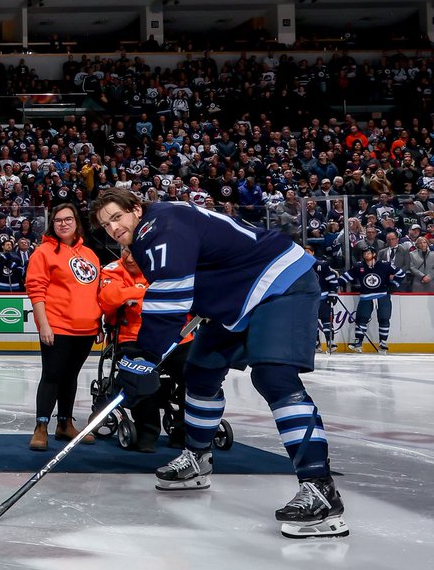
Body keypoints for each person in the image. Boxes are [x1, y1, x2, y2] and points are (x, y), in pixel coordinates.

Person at [92, 187, 349, 539]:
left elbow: (170, 295)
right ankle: (198, 459)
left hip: (280, 285)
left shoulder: (158, 227)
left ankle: (320, 487)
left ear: (136, 208)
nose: (113, 227)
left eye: (117, 217)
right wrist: (145, 357)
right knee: (199, 372)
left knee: (275, 378)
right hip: (238, 295)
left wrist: (145, 357)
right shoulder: (152, 230)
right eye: (106, 224)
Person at [24, 202, 101, 451]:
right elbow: (36, 290)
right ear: (52, 224)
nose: (63, 224)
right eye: (58, 220)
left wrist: (97, 322)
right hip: (57, 326)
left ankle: (65, 424)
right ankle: (41, 427)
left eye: (68, 219)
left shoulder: (89, 255)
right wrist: (43, 324)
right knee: (52, 376)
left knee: (71, 377)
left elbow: (96, 292)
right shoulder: (44, 252)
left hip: (86, 329)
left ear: (76, 222)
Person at [98, 246, 191, 452]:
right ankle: (147, 431)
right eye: (125, 251)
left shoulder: (167, 267)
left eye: (134, 252)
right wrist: (148, 292)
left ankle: (183, 429)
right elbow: (109, 299)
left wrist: (133, 296)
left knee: (195, 375)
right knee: (141, 376)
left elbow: (184, 298)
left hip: (175, 336)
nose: (129, 257)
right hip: (133, 337)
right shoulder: (113, 269)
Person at [340, 247, 404, 353]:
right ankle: (359, 343)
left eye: (368, 253)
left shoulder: (384, 265)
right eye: (364, 253)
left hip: (382, 295)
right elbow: (346, 277)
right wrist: (333, 284)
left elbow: (401, 273)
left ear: (374, 254)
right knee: (361, 318)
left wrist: (394, 284)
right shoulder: (358, 266)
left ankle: (383, 343)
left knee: (384, 318)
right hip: (366, 296)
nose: (366, 255)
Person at [308, 246, 340, 355]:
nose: (306, 254)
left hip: (323, 297)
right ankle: (316, 343)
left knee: (327, 320)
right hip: (309, 299)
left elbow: (333, 280)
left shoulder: (322, 264)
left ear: (313, 252)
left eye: (308, 252)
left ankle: (330, 341)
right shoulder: (300, 266)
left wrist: (332, 294)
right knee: (312, 322)